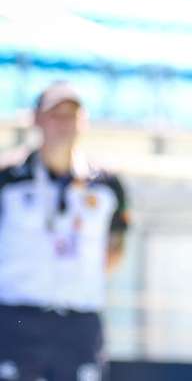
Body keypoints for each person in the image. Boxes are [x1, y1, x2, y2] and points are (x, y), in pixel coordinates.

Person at [0, 82, 130, 381]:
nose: (64, 124)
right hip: (16, 319)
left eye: (71, 115)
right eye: (55, 114)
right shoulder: (8, 178)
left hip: (78, 323)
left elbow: (115, 247)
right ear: (36, 119)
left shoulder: (106, 184)